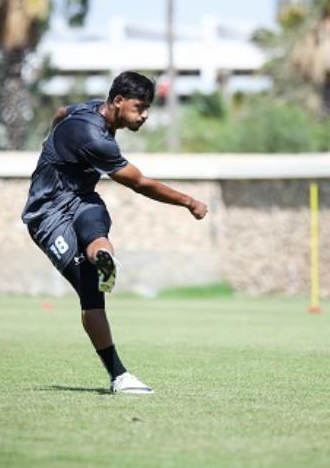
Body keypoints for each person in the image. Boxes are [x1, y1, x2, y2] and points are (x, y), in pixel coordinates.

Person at [22, 71, 208, 394]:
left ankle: (103, 258)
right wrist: (189, 201)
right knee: (91, 295)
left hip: (80, 200)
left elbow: (61, 111)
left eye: (148, 107)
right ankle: (119, 376)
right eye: (140, 107)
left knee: (95, 218)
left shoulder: (92, 108)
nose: (145, 115)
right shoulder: (95, 139)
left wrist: (47, 139)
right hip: (47, 215)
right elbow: (140, 184)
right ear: (118, 101)